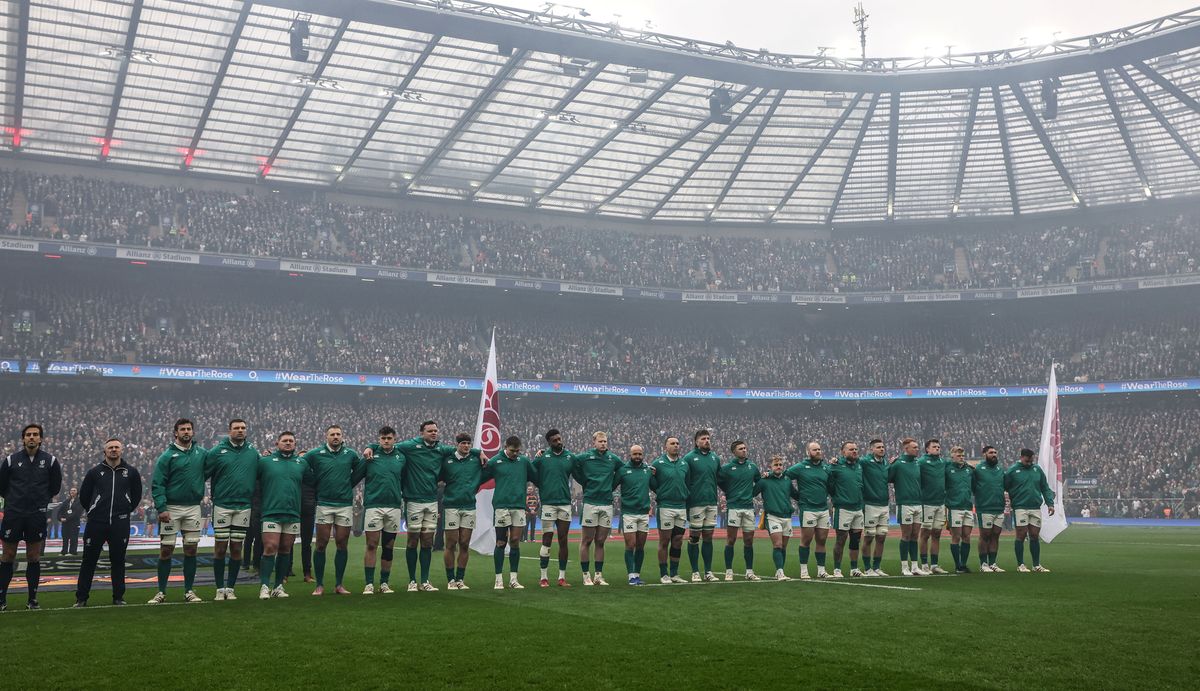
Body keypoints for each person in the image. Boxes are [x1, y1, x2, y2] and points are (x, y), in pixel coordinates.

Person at [0, 423, 62, 610]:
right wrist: (14, 501)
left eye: (35, 434)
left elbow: (55, 487)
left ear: (41, 438)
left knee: (33, 556)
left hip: (36, 514)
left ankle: (32, 599)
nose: (32, 437)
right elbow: (1, 487)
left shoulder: (50, 461)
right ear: (23, 439)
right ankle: (1, 599)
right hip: (14, 514)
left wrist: (40, 502)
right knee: (8, 555)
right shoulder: (11, 460)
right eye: (28, 435)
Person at [74, 438, 142, 607]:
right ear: (104, 451)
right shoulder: (94, 472)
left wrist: (124, 510)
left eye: (116, 447)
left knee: (118, 560)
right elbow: (84, 496)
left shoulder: (131, 472)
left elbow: (136, 496)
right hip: (96, 522)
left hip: (120, 522)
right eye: (110, 447)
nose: (113, 450)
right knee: (88, 560)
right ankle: (81, 598)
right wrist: (94, 510)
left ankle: (118, 597)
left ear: (122, 450)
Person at [390, 421, 456, 592]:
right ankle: (412, 580)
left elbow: (461, 449)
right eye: (430, 431)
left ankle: (425, 580)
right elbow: (389, 444)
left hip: (432, 501)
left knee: (427, 542)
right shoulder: (410, 446)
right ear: (421, 432)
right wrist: (370, 447)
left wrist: (479, 453)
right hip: (413, 500)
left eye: (435, 430)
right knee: (412, 541)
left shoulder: (441, 449)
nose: (434, 433)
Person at [149, 418, 207, 604]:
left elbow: (220, 463)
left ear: (193, 432)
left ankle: (189, 591)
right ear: (176, 433)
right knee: (166, 550)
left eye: (189, 429)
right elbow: (158, 484)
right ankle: (161, 592)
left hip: (193, 508)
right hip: (171, 509)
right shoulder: (167, 456)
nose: (186, 432)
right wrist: (162, 507)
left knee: (191, 549)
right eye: (182, 429)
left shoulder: (202, 453)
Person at [303, 424, 362, 595]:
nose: (335, 437)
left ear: (342, 437)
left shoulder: (350, 454)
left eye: (338, 434)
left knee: (342, 543)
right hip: (324, 504)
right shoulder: (315, 453)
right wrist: (315, 483)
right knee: (321, 543)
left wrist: (347, 484)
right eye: (332, 434)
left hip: (344, 504)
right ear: (326, 437)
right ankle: (319, 585)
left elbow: (359, 471)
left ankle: (339, 585)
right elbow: (301, 465)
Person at [205, 418, 259, 601]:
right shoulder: (217, 451)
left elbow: (260, 473)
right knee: (220, 548)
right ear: (229, 431)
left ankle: (231, 588)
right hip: (222, 505)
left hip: (243, 506)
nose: (240, 431)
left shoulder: (253, 452)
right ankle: (219, 588)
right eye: (236, 428)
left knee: (237, 548)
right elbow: (203, 473)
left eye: (243, 428)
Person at [353, 426, 406, 595]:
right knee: (371, 544)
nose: (386, 441)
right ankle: (369, 583)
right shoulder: (370, 456)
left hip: (394, 507)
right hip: (374, 506)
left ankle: (384, 583)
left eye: (389, 438)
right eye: (383, 438)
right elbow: (354, 478)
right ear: (379, 439)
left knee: (389, 546)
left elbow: (405, 479)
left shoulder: (401, 457)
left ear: (394, 439)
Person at [257, 431, 307, 599]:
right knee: (270, 547)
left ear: (295, 444)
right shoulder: (265, 462)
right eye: (284, 440)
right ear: (277, 443)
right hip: (271, 512)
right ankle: (264, 585)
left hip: (293, 512)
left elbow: (312, 483)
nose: (288, 443)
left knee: (285, 549)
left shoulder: (302, 463)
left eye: (291, 441)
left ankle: (278, 586)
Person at [571, 431, 623, 586]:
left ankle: (598, 575)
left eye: (605, 441)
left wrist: (611, 487)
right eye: (600, 441)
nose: (603, 444)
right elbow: (571, 463)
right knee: (586, 540)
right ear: (593, 442)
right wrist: (584, 481)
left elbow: (624, 470)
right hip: (590, 502)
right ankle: (586, 575)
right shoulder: (585, 457)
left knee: (600, 541)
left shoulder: (613, 458)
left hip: (606, 503)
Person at [486, 436, 535, 590]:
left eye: (518, 451)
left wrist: (539, 458)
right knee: (501, 542)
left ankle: (513, 579)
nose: (515, 454)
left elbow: (535, 475)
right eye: (512, 451)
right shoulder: (495, 461)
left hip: (518, 506)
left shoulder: (524, 461)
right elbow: (480, 477)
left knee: (514, 540)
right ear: (505, 446)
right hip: (501, 506)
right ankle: (498, 578)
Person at [440, 432, 484, 590]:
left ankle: (460, 579)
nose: (466, 446)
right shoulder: (447, 461)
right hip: (451, 506)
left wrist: (478, 452)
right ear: (457, 444)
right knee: (450, 543)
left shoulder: (475, 460)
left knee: (464, 543)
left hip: (469, 506)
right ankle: (450, 579)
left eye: (468, 443)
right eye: (463, 443)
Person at [532, 428, 573, 587]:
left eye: (559, 439)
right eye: (555, 440)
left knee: (563, 540)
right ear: (549, 442)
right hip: (548, 504)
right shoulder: (542, 457)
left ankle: (562, 577)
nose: (558, 442)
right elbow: (530, 471)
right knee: (547, 540)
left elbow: (580, 473)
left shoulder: (570, 457)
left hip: (564, 504)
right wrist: (542, 485)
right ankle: (543, 577)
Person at [1005, 448, 1056, 573]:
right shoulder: (1012, 470)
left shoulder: (1037, 469)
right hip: (1020, 507)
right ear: (1022, 457)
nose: (1030, 463)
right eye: (1028, 460)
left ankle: (1036, 565)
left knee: (1034, 535)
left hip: (1035, 507)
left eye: (1031, 460)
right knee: (1021, 535)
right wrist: (1011, 498)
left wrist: (1050, 503)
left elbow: (1044, 487)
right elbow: (1005, 486)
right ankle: (1020, 564)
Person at [786, 441, 831, 579]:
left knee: (822, 540)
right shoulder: (800, 467)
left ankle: (821, 570)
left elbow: (830, 484)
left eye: (819, 449)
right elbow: (785, 478)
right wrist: (796, 495)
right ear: (808, 452)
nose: (818, 451)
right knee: (806, 539)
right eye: (814, 450)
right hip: (808, 508)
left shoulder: (826, 467)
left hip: (823, 508)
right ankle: (804, 570)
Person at [717, 440, 760, 581]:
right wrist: (729, 492)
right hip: (734, 507)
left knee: (749, 540)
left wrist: (752, 493)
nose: (744, 450)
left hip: (748, 507)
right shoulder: (728, 468)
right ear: (734, 452)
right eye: (741, 448)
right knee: (731, 539)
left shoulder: (752, 467)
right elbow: (719, 480)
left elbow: (760, 482)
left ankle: (749, 571)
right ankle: (729, 571)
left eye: (745, 448)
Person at [682, 429, 721, 582]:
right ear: (696, 441)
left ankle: (708, 572)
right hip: (695, 503)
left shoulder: (715, 458)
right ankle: (695, 571)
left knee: (708, 537)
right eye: (703, 438)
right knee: (694, 537)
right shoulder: (689, 458)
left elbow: (720, 478)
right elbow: (684, 479)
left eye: (708, 438)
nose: (707, 441)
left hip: (711, 502)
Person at [650, 436, 689, 584]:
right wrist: (661, 492)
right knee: (665, 540)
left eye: (678, 443)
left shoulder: (684, 464)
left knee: (678, 540)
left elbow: (688, 482)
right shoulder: (658, 463)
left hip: (681, 507)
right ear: (666, 447)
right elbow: (652, 482)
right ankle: (663, 573)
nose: (676, 446)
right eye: (672, 443)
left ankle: (674, 573)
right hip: (665, 506)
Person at [615, 444, 652, 585]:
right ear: (630, 455)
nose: (637, 457)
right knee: (630, 544)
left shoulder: (648, 470)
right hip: (629, 513)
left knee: (641, 546)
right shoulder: (623, 470)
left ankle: (637, 574)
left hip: (643, 513)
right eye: (635, 454)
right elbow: (612, 485)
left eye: (639, 454)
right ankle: (631, 575)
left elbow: (655, 485)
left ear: (643, 455)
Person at [754, 455, 795, 581]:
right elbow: (752, 492)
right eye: (776, 465)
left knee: (783, 547)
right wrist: (758, 478)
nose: (778, 467)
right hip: (772, 516)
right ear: (770, 467)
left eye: (780, 465)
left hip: (787, 516)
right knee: (777, 544)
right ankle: (780, 571)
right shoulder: (764, 480)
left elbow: (795, 494)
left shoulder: (787, 480)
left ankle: (780, 571)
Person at [828, 441, 865, 578]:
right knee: (841, 539)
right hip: (843, 508)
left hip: (857, 508)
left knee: (855, 540)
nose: (854, 451)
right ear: (843, 452)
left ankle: (854, 568)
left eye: (856, 449)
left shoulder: (859, 465)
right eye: (851, 449)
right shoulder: (836, 466)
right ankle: (837, 569)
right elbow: (828, 482)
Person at [888, 438, 923, 576]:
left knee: (915, 535)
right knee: (906, 535)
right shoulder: (898, 464)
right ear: (906, 448)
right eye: (914, 447)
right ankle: (904, 566)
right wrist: (890, 465)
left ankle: (915, 566)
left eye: (917, 446)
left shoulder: (918, 463)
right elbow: (888, 478)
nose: (917, 449)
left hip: (918, 503)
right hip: (905, 504)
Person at [917, 439, 949, 575]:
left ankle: (934, 565)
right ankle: (924, 564)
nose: (937, 448)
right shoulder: (921, 462)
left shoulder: (943, 462)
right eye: (934, 447)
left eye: (938, 446)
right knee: (925, 534)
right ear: (927, 449)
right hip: (927, 503)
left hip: (940, 503)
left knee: (937, 534)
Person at [973, 446, 1007, 572]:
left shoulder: (1000, 469)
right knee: (985, 535)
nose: (994, 455)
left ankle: (993, 563)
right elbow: (973, 486)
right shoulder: (978, 469)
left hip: (998, 507)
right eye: (991, 452)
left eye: (995, 453)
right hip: (984, 507)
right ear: (984, 454)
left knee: (995, 535)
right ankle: (983, 564)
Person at [860, 439, 890, 576]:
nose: (882, 449)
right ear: (872, 449)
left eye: (883, 447)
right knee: (869, 536)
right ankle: (867, 568)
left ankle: (877, 567)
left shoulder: (885, 463)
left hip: (884, 504)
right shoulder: (865, 461)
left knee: (882, 536)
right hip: (870, 504)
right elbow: (852, 462)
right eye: (878, 447)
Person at [945, 445, 975, 574]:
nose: (961, 457)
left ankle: (963, 564)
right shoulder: (947, 468)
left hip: (968, 507)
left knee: (967, 536)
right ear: (952, 456)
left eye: (963, 455)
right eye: (958, 455)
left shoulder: (969, 470)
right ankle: (957, 565)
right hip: (954, 507)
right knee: (956, 536)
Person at [59, 487, 83, 555]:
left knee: (73, 538)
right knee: (65, 538)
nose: (72, 491)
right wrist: (60, 518)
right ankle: (64, 551)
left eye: (74, 490)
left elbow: (77, 512)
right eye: (71, 490)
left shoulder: (80, 501)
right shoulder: (66, 501)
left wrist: (66, 518)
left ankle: (73, 551)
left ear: (77, 492)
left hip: (74, 523)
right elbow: (60, 511)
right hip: (65, 523)